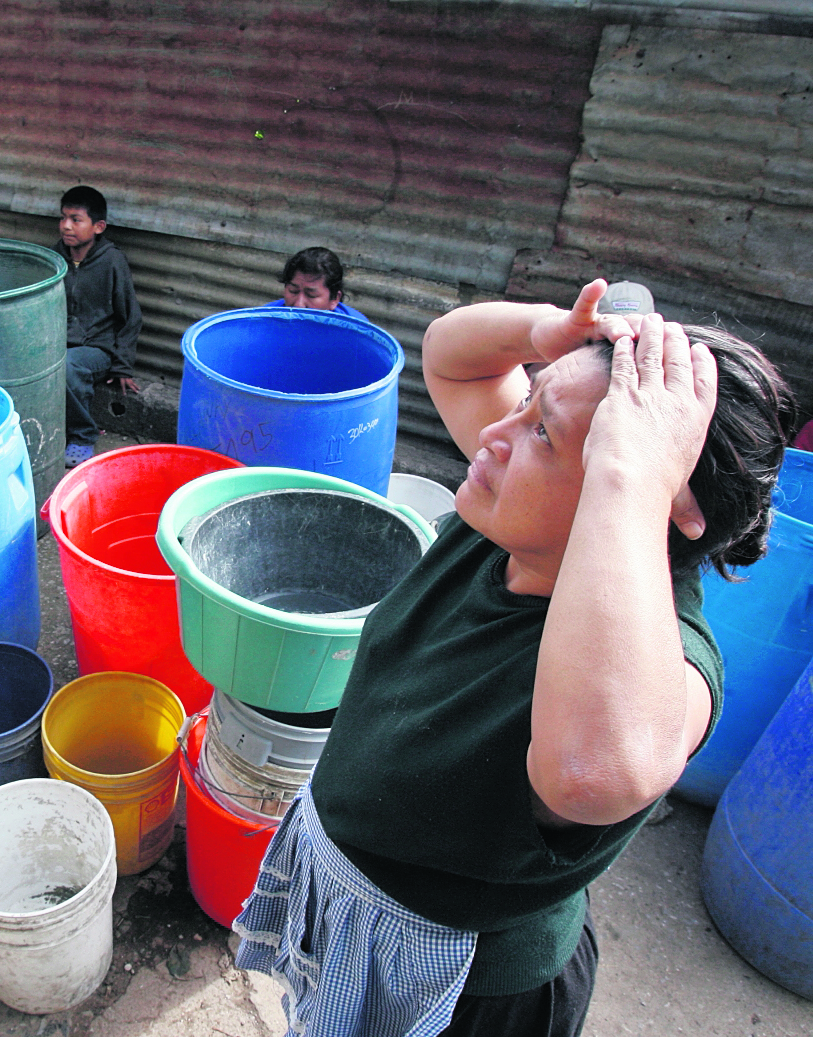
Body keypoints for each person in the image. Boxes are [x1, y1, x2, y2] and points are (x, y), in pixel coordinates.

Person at [234, 279, 795, 1037]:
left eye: (544, 434)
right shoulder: (514, 515)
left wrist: (627, 472)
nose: (501, 432)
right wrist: (557, 332)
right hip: (359, 903)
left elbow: (592, 774)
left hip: (464, 995)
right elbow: (449, 356)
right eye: (528, 403)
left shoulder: (670, 663)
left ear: (642, 492)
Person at [53, 185, 142, 468]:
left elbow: (131, 316)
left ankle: (83, 436)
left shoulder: (113, 261)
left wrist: (122, 365)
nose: (66, 226)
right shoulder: (56, 257)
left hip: (97, 348)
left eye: (76, 219)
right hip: (58, 340)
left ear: (98, 226)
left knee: (68, 366)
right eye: (63, 217)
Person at [263, 246, 369, 321]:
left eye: (311, 295)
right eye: (293, 291)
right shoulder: (266, 319)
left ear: (335, 299)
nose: (298, 305)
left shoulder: (356, 333)